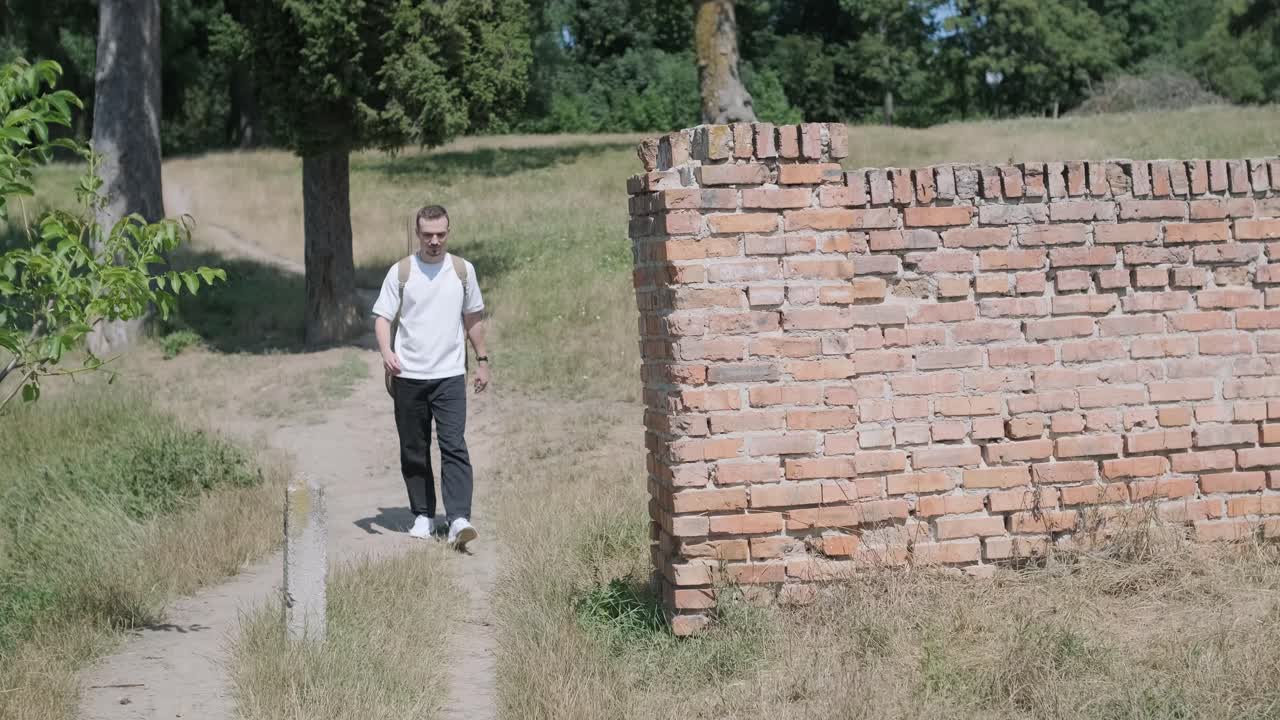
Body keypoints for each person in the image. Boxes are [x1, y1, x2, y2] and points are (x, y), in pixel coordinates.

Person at [372, 205, 489, 550]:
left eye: (440, 234)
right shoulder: (402, 272)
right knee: (414, 447)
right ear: (418, 234)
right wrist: (386, 352)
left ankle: (458, 519)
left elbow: (473, 319)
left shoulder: (462, 271)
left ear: (448, 232)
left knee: (454, 445)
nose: (434, 241)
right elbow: (382, 318)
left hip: (450, 375)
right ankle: (423, 513)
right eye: (427, 235)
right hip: (409, 376)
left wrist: (482, 360)